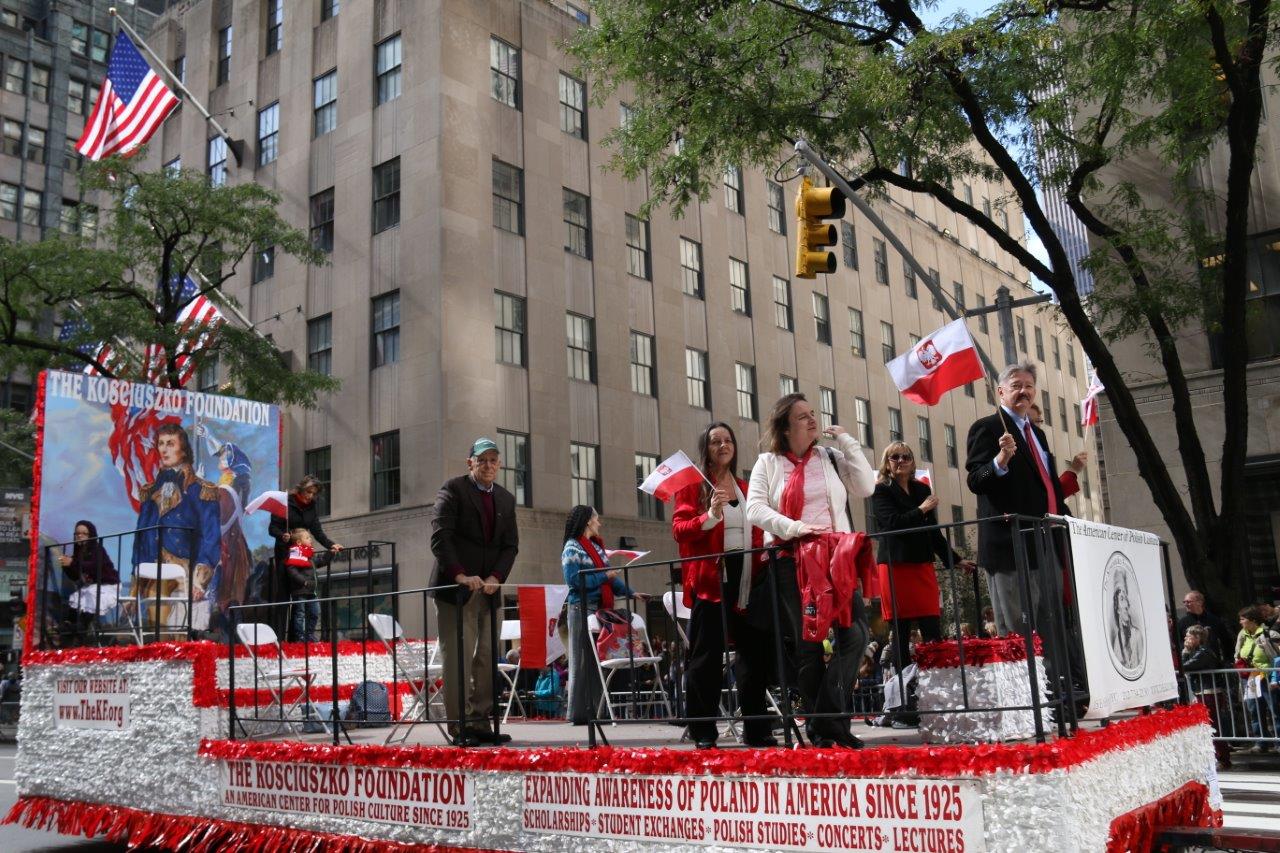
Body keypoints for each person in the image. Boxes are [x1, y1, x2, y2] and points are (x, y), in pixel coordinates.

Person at [746, 393, 877, 748]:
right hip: (791, 559)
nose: (812, 419)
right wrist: (794, 528)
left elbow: (866, 486)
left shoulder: (829, 457)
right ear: (786, 428)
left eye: (812, 413)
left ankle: (825, 720)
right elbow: (754, 509)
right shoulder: (768, 463)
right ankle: (828, 729)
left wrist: (847, 442)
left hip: (837, 557)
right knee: (808, 646)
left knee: (856, 635)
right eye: (802, 416)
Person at [966, 362, 1076, 686]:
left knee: (1050, 624)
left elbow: (1047, 487)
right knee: (1016, 628)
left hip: (1046, 544)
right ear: (1001, 391)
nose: (1023, 391)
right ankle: (1023, 697)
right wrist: (1000, 460)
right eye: (1015, 386)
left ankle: (1054, 690)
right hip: (1010, 548)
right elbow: (976, 480)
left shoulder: (1037, 433)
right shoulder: (988, 428)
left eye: (1028, 386)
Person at [671, 422, 774, 748]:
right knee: (706, 657)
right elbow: (679, 529)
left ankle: (757, 728)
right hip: (711, 577)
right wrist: (710, 516)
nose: (723, 445)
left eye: (728, 440)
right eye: (716, 441)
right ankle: (703, 730)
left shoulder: (745, 486)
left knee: (754, 655)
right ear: (706, 448)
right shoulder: (694, 486)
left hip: (747, 577)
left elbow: (758, 526)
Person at [429, 437, 519, 747]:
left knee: (486, 658)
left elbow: (510, 546)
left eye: (493, 460)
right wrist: (459, 575)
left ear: (499, 464)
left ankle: (480, 722)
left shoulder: (506, 499)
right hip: (456, 590)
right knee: (459, 659)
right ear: (471, 463)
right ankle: (459, 726)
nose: (488, 465)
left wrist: (496, 576)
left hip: (489, 592)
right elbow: (440, 536)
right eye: (482, 460)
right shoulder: (452, 490)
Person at [870, 440, 975, 671]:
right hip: (895, 565)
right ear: (887, 463)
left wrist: (955, 559)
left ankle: (936, 678)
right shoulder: (880, 490)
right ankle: (904, 685)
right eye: (895, 457)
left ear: (912, 462)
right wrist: (922, 509)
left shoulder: (922, 490)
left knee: (931, 625)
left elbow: (933, 532)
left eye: (905, 457)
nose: (900, 461)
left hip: (921, 564)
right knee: (900, 630)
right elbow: (892, 523)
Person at [132, 423, 221, 630]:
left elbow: (210, 536)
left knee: (182, 628)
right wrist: (135, 584)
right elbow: (141, 537)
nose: (164, 449)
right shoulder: (150, 491)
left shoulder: (202, 490)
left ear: (184, 450)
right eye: (161, 443)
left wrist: (199, 579)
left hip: (186, 569)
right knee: (157, 620)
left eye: (171, 444)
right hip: (154, 568)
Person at [561, 505, 637, 726]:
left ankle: (596, 710)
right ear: (587, 521)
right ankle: (578, 714)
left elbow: (611, 579)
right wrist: (604, 576)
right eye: (596, 519)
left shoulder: (597, 548)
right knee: (580, 660)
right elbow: (574, 580)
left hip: (599, 609)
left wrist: (632, 593)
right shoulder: (571, 547)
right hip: (580, 607)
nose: (599, 523)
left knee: (597, 662)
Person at [268, 476, 343, 632]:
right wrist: (282, 535)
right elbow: (272, 528)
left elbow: (317, 530)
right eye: (308, 492)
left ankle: (296, 638)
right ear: (301, 489)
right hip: (285, 554)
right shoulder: (285, 502)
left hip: (302, 555)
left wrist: (330, 544)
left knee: (299, 597)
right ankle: (278, 636)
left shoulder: (311, 507)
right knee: (283, 596)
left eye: (314, 493)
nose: (310, 496)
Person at [59, 520, 119, 644]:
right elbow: (75, 576)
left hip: (108, 585)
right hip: (93, 587)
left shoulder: (97, 549)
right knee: (77, 596)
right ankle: (69, 625)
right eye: (77, 533)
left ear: (91, 535)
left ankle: (80, 628)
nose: (80, 536)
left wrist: (72, 563)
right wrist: (66, 566)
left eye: (84, 533)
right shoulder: (78, 553)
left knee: (91, 594)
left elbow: (93, 566)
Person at [1181, 625, 1232, 769]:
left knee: (1213, 726)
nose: (1186, 639)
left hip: (1210, 693)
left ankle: (1223, 758)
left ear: (1197, 638)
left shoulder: (1204, 653)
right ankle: (1214, 757)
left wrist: (1185, 652)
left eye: (1189, 636)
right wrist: (1186, 651)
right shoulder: (1196, 652)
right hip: (1201, 692)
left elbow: (1185, 666)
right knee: (1206, 726)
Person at [1236, 606, 1280, 752]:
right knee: (1254, 710)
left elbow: (1277, 657)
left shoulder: (1269, 634)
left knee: (1275, 710)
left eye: (1243, 619)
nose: (1240, 622)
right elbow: (1237, 654)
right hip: (1250, 679)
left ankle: (1278, 742)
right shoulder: (1242, 635)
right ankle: (1261, 742)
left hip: (1267, 677)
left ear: (1253, 620)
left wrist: (1274, 677)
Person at [1028, 402, 1087, 499]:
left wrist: (1073, 470)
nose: (1033, 427)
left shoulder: (1042, 449)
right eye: (1028, 422)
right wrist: (1073, 470)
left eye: (1037, 421)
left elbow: (1053, 494)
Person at [284, 529, 330, 642]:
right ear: (299, 542)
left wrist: (331, 553)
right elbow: (292, 571)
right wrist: (304, 582)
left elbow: (321, 561)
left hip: (311, 590)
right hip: (300, 590)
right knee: (300, 614)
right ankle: (300, 637)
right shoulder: (295, 554)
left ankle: (309, 634)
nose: (310, 539)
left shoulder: (309, 555)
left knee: (315, 612)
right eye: (307, 538)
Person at [1176, 590, 1233, 664]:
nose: (1186, 604)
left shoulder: (1214, 620)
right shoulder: (1182, 623)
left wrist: (1228, 660)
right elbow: (1178, 643)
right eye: (1184, 602)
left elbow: (1226, 641)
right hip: (1191, 663)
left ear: (1200, 602)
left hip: (1213, 663)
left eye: (1188, 602)